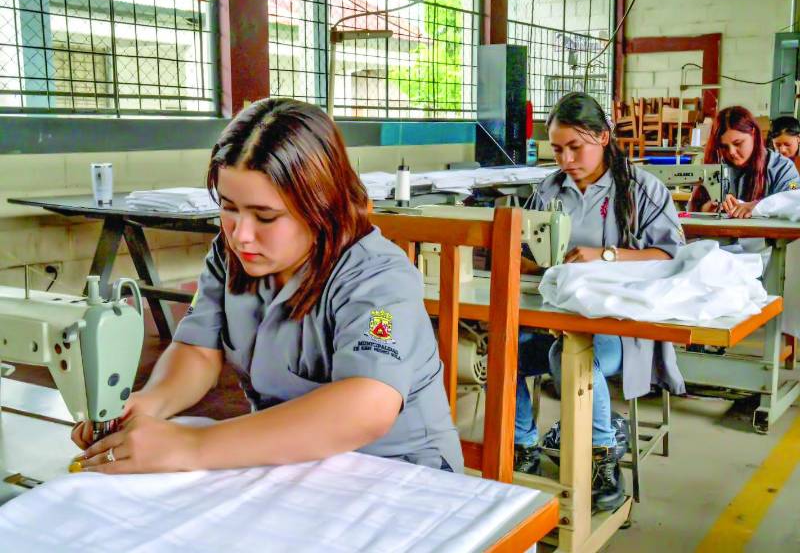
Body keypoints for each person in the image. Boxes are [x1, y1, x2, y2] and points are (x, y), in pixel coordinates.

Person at [71, 98, 463, 475]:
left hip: (398, 472)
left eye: (266, 216)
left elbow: (366, 405)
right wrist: (149, 404)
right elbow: (198, 349)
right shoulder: (232, 256)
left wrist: (191, 446)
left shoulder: (378, 279)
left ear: (321, 204)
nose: (241, 235)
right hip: (291, 464)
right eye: (228, 208)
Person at [515, 92, 686, 512]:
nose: (566, 158)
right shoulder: (549, 189)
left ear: (604, 138)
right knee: (501, 346)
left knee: (570, 355)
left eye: (576, 147)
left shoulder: (643, 189)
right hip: (554, 313)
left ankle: (602, 454)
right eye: (557, 148)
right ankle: (522, 445)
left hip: (618, 325)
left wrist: (605, 255)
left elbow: (671, 256)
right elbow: (530, 251)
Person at [689, 106, 800, 218]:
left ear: (753, 134)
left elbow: (794, 200)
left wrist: (758, 206)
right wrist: (708, 208)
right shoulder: (713, 166)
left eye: (738, 143)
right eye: (724, 146)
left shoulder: (783, 168)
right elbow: (692, 209)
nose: (731, 152)